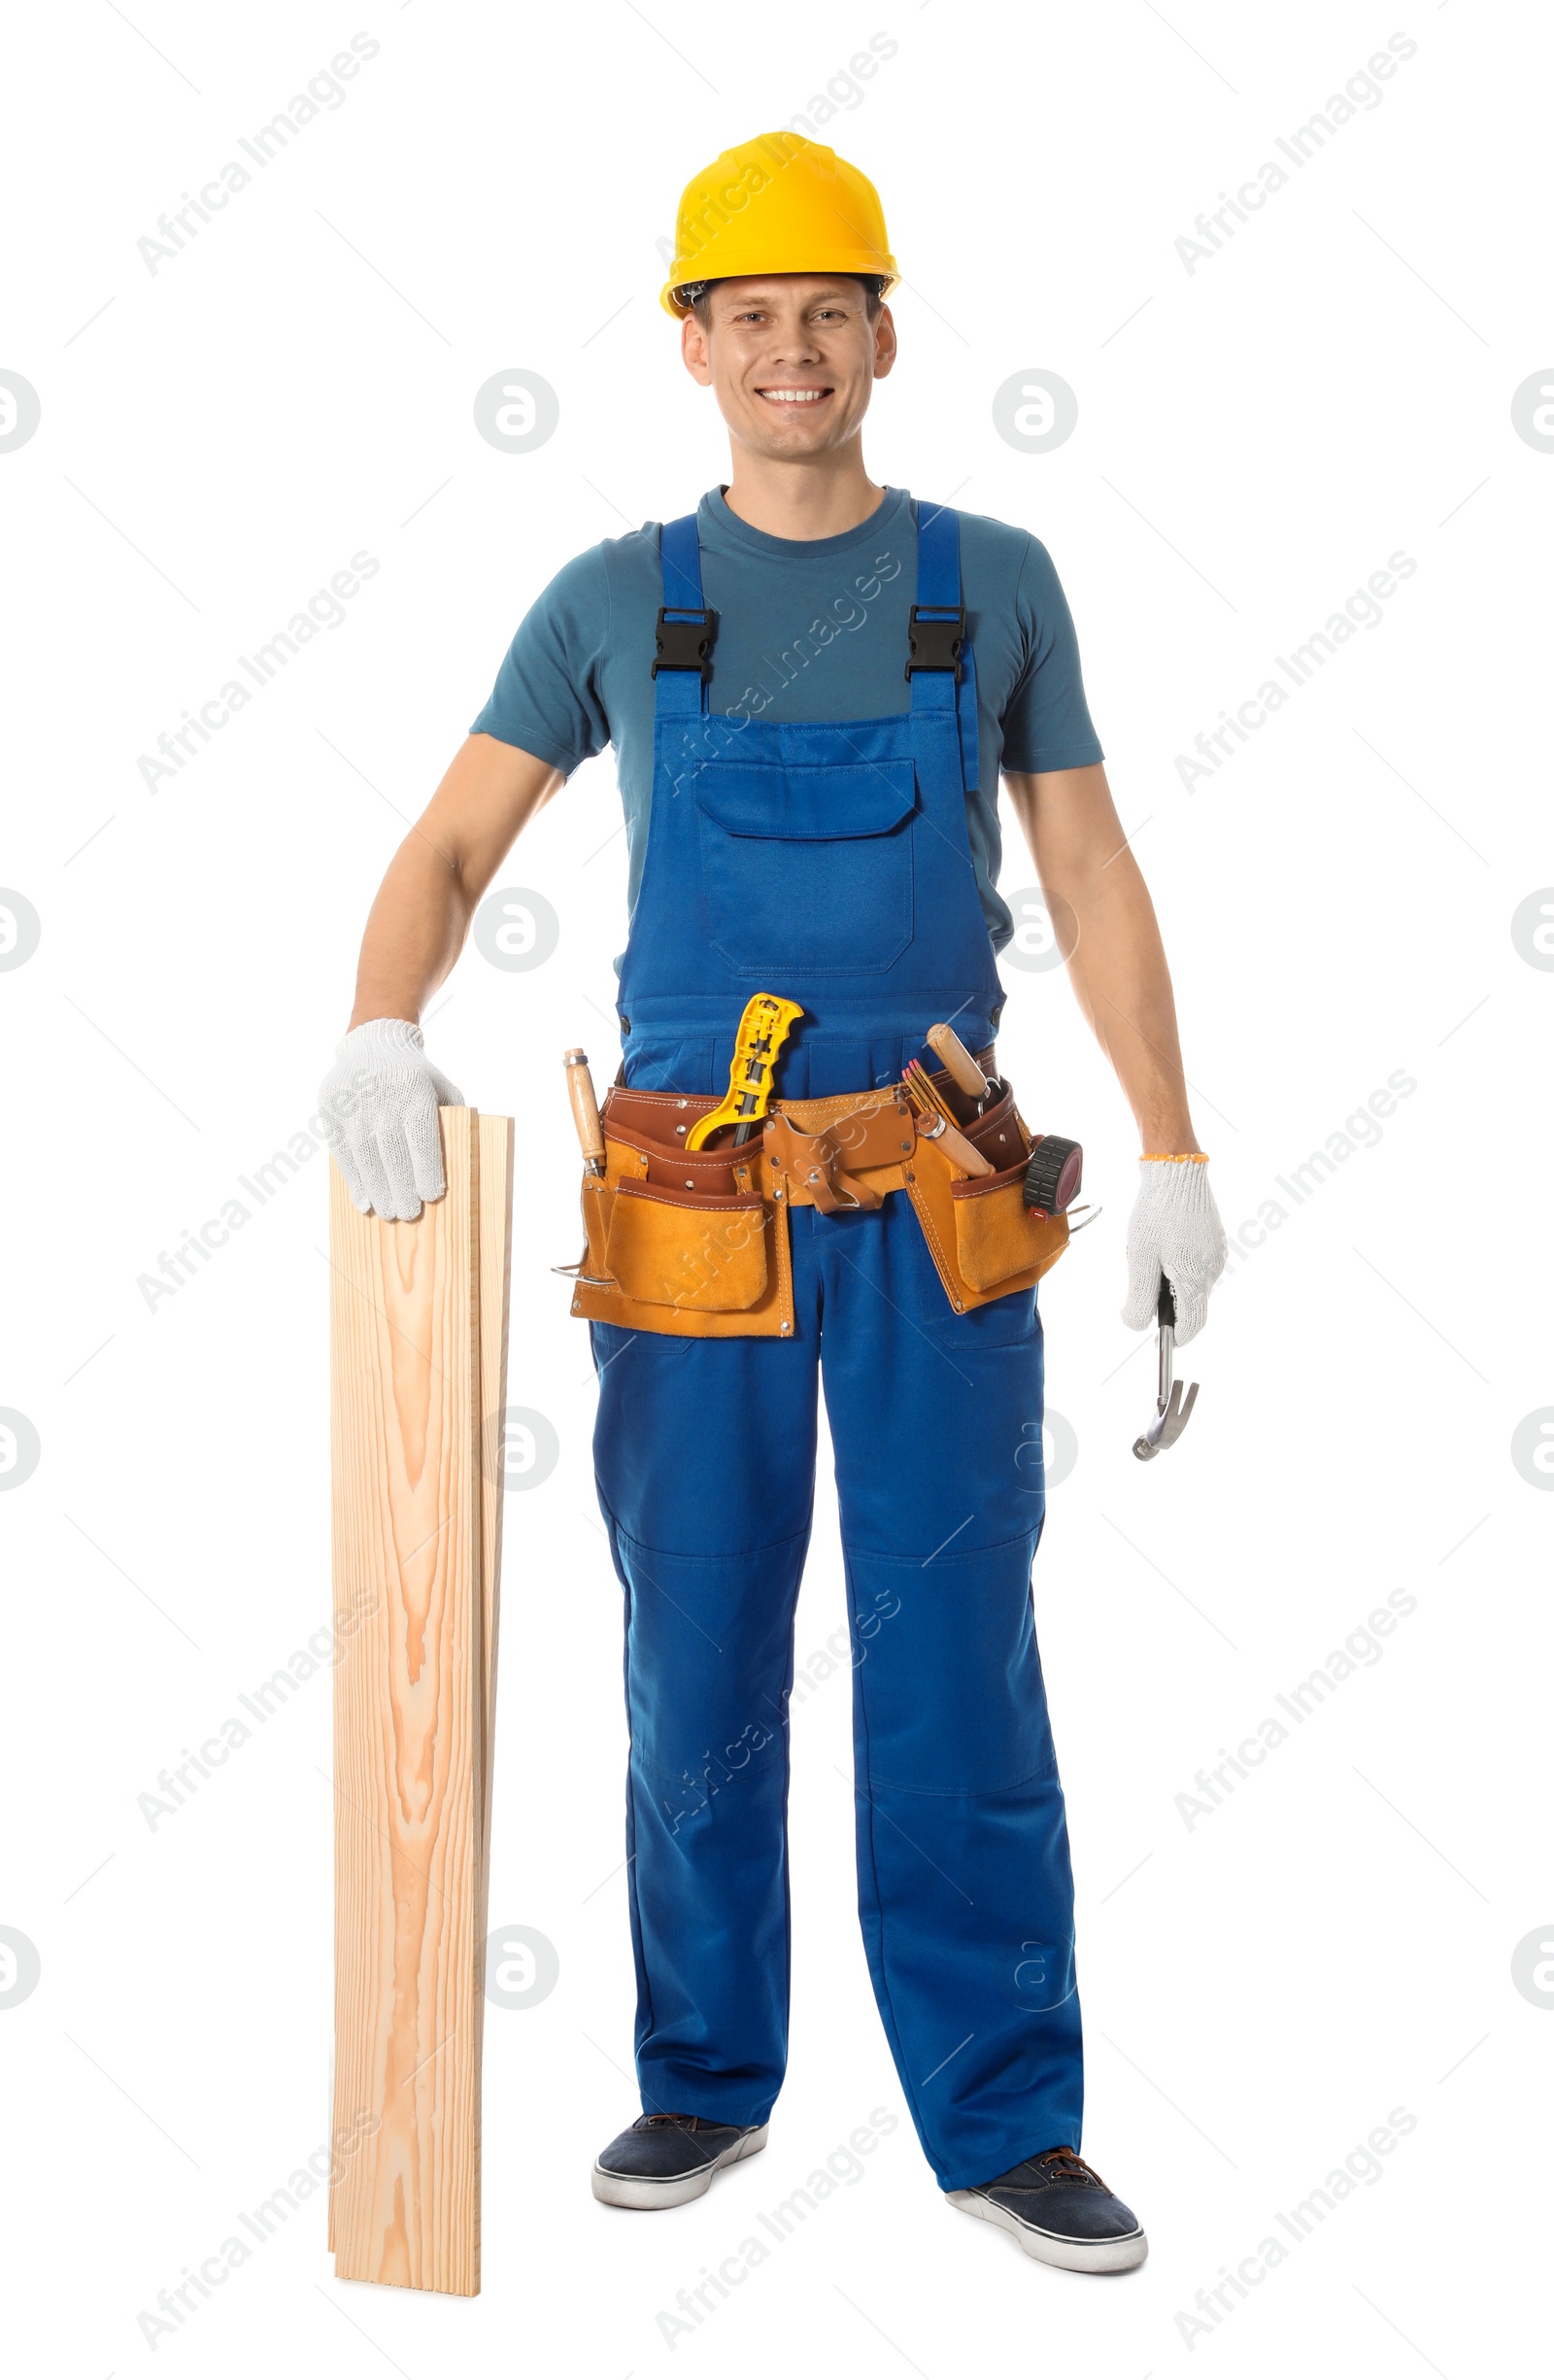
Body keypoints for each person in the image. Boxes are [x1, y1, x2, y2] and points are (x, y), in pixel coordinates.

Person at [320, 132, 1227, 2275]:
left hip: (934, 1213)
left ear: (882, 335)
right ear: (693, 348)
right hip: (690, 1225)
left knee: (951, 1670)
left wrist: (1174, 1147)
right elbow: (449, 850)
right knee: (695, 1658)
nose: (791, 348)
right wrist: (376, 1019)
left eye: (828, 310)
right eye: (751, 317)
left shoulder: (985, 578)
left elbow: (1088, 873)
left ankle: (1005, 2121)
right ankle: (700, 2076)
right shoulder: (614, 599)